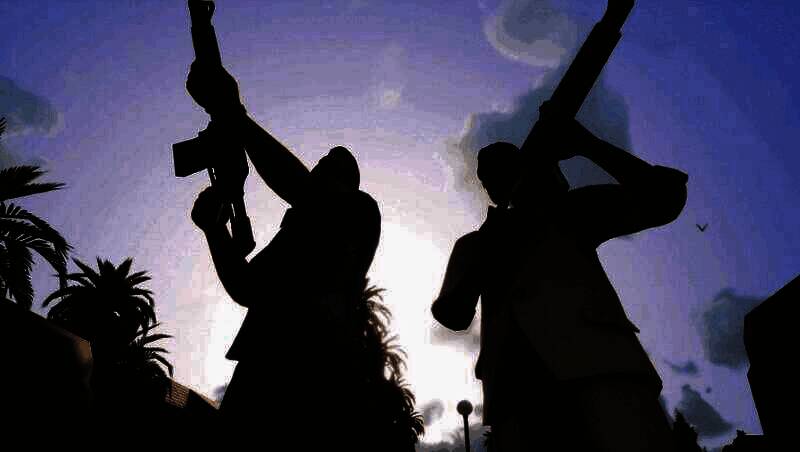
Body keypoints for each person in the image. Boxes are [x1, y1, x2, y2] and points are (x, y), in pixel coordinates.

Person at [432, 107, 687, 451]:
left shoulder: (569, 210)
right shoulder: (475, 243)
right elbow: (453, 315)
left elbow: (665, 197)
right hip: (516, 390)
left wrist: (589, 145)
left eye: (503, 167)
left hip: (602, 365)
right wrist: (484, 258)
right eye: (486, 176)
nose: (493, 179)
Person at [186, 62, 382, 441]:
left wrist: (233, 113)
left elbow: (304, 190)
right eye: (321, 162)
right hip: (260, 365)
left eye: (332, 165)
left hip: (311, 369)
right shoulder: (297, 231)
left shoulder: (360, 211)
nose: (320, 166)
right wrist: (214, 230)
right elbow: (246, 288)